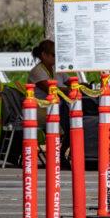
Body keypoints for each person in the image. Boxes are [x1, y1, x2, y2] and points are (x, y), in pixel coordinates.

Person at [28, 39, 71, 167]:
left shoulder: (56, 69)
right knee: (71, 122)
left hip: (57, 107)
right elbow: (51, 90)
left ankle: (61, 154)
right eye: (53, 55)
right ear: (44, 55)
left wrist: (83, 86)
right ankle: (59, 155)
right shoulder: (37, 71)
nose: (56, 57)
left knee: (74, 121)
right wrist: (70, 89)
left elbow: (70, 82)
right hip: (41, 110)